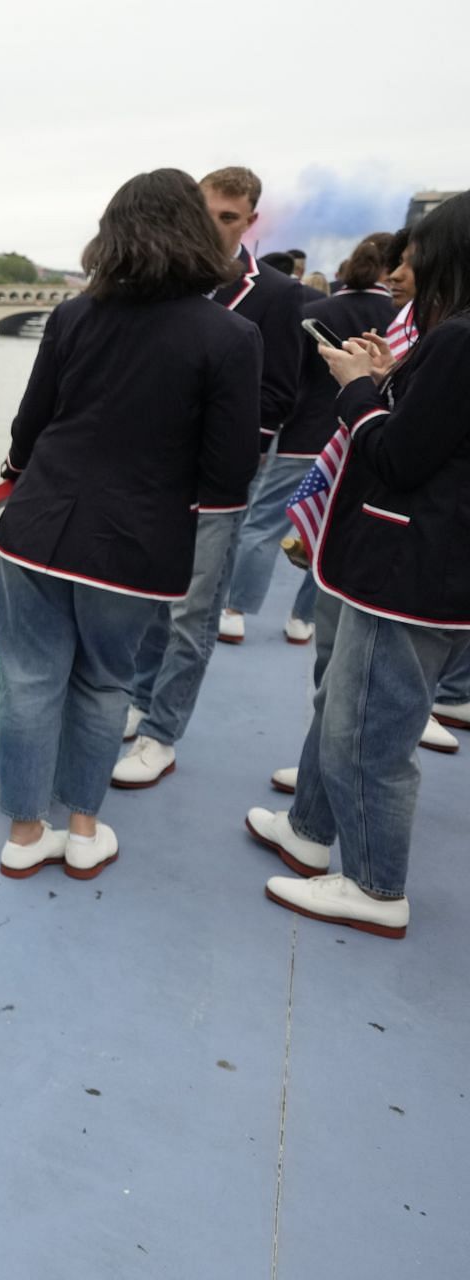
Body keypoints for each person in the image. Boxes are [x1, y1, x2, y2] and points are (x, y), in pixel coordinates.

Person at [0, 169, 260, 879]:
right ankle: (83, 827)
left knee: (29, 681)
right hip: (136, 543)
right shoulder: (231, 336)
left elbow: (31, 426)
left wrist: (23, 468)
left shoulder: (75, 316)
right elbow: (230, 471)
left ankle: (24, 834)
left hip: (39, 528)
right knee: (106, 684)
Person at [246, 194, 470, 938]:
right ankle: (309, 828)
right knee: (347, 708)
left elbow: (399, 456)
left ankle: (376, 887)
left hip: (407, 569)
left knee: (369, 732)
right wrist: (386, 381)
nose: (407, 269)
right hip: (430, 564)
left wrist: (356, 390)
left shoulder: (457, 341)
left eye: (418, 254)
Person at [113, 165, 301, 787]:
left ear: (250, 222)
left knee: (193, 614)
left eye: (229, 217)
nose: (215, 226)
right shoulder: (159, 284)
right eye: (206, 212)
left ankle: (163, 733)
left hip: (216, 483)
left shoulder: (274, 293)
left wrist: (211, 442)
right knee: (147, 598)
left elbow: (276, 397)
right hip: (150, 477)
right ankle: (140, 698)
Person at [221, 231, 397, 644]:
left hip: (304, 435)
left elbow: (288, 377)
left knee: (262, 525)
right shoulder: (399, 319)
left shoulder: (316, 310)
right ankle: (303, 619)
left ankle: (235, 612)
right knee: (331, 532)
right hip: (361, 439)